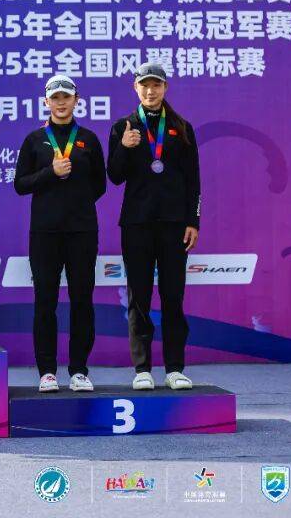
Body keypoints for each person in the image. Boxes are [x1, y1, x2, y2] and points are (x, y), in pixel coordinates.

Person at [107, 62, 201, 391]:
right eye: (145, 85)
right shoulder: (123, 127)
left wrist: (193, 221)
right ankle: (142, 369)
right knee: (139, 298)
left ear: (165, 88)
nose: (150, 91)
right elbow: (114, 176)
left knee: (173, 297)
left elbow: (194, 181)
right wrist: (124, 147)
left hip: (174, 226)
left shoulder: (181, 127)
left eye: (156, 85)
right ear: (135, 88)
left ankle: (174, 368)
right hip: (137, 224)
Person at [14, 75, 106, 392]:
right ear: (46, 102)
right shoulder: (35, 140)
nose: (61, 102)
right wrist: (50, 173)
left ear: (76, 100)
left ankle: (79, 370)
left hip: (82, 231)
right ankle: (47, 372)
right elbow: (21, 184)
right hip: (45, 233)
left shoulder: (89, 139)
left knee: (82, 301)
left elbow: (99, 185)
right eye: (55, 97)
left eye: (66, 96)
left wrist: (75, 203)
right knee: (45, 302)